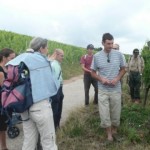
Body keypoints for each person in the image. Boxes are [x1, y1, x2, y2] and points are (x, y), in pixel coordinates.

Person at [6, 37, 59, 150]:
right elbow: (54, 83)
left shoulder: (21, 58)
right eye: (47, 47)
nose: (48, 50)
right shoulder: (43, 60)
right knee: (48, 141)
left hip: (24, 107)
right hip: (40, 107)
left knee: (29, 140)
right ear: (41, 48)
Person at [91, 33, 126, 143]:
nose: (110, 46)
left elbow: (124, 69)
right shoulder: (96, 56)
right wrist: (101, 79)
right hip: (103, 90)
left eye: (112, 43)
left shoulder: (119, 55)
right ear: (102, 43)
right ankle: (109, 135)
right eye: (108, 43)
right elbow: (92, 72)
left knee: (116, 113)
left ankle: (114, 131)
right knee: (104, 113)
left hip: (116, 90)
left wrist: (117, 78)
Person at [0, 48, 16, 150]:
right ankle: (4, 147)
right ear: (4, 57)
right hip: (1, 103)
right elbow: (3, 87)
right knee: (2, 126)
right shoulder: (1, 72)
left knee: (3, 126)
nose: (14, 60)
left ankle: (4, 146)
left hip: (6, 101)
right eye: (12, 58)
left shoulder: (7, 69)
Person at [50, 49, 64, 129]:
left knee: (58, 108)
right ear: (56, 55)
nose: (63, 57)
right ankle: (55, 127)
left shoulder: (57, 64)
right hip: (56, 90)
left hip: (59, 89)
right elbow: (54, 80)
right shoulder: (53, 65)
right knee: (56, 109)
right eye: (61, 56)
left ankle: (57, 125)